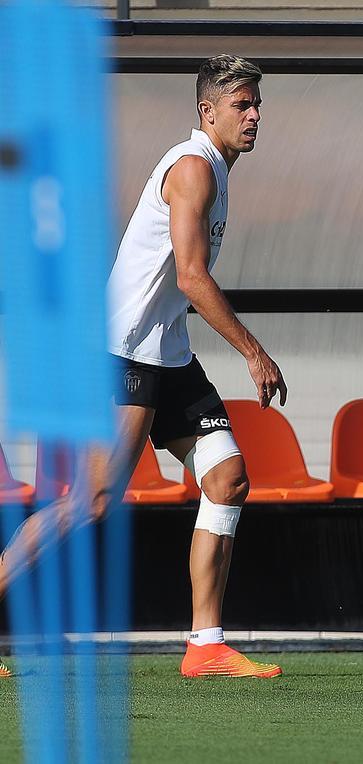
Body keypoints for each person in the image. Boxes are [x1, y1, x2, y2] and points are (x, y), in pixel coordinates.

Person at [0, 54, 286, 679]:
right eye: (242, 105)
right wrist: (253, 352)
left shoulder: (218, 168)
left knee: (229, 478)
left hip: (168, 352)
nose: (255, 114)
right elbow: (190, 274)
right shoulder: (192, 168)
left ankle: (205, 645)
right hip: (125, 351)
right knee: (93, 502)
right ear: (207, 112)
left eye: (257, 103)